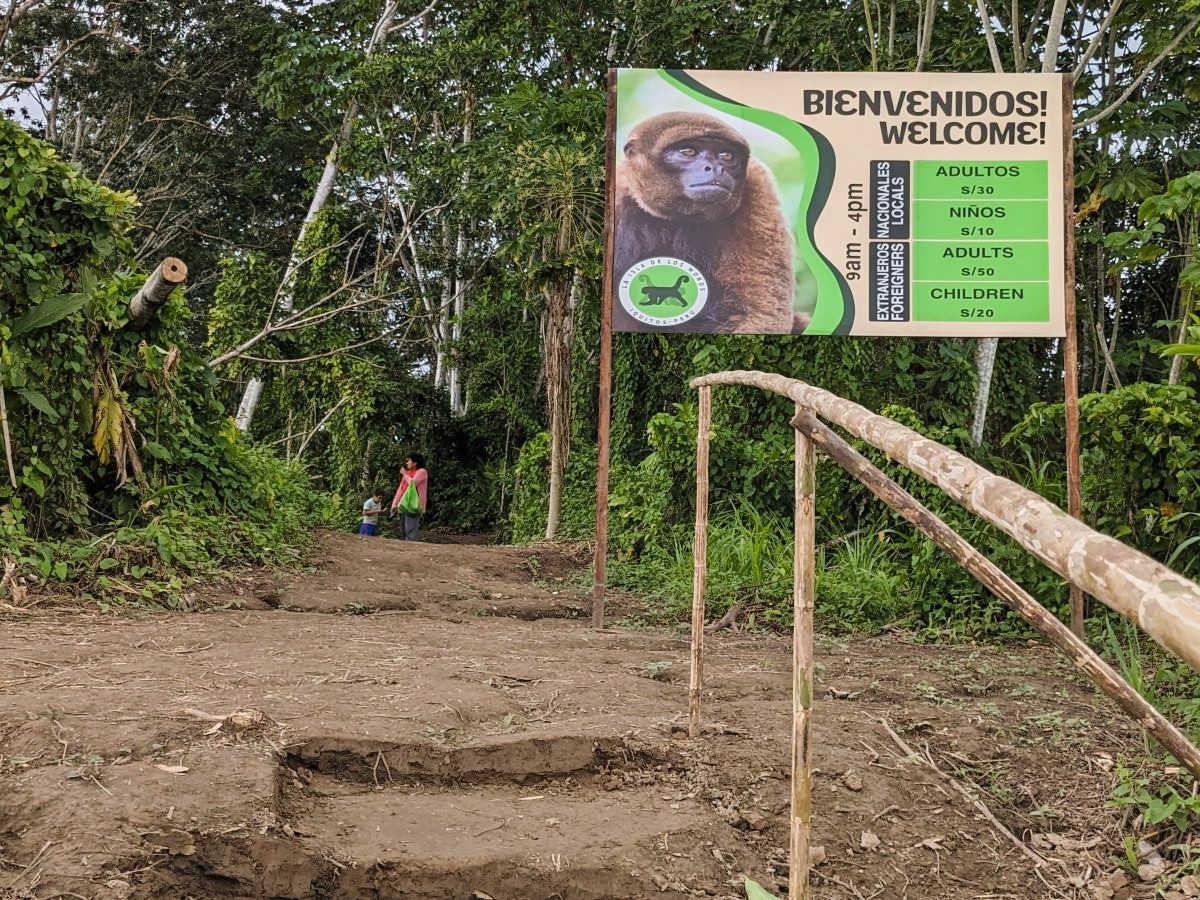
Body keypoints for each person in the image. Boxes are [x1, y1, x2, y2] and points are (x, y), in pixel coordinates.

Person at [390, 453, 428, 541]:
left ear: (415, 463)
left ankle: (410, 552)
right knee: (404, 530)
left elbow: (413, 483)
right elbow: (401, 489)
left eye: (409, 460)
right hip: (403, 504)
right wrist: (395, 504)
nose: (407, 463)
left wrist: (404, 474)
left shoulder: (422, 472)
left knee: (410, 531)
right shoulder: (407, 473)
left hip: (414, 504)